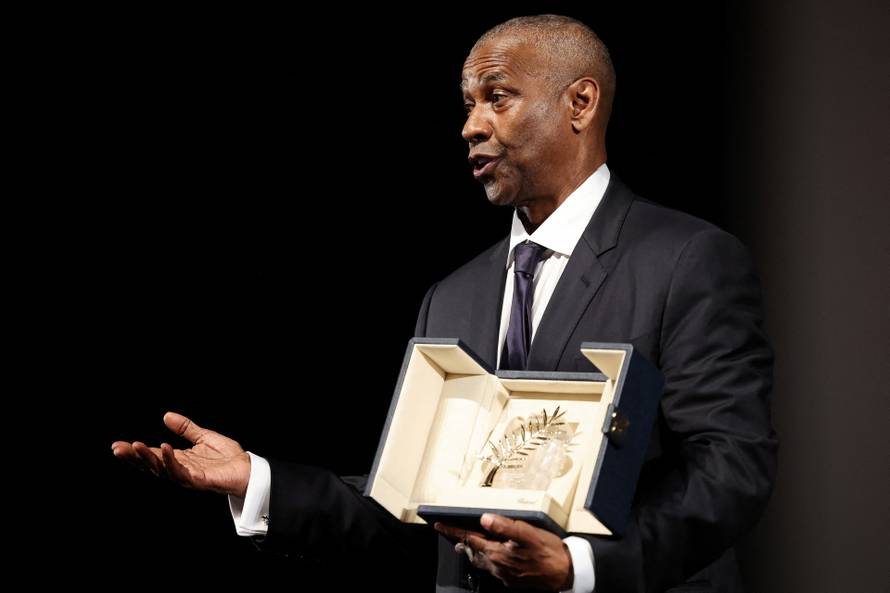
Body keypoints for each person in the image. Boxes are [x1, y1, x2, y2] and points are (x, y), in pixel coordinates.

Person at [112, 15, 777, 593]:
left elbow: (730, 465)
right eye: (466, 105)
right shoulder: (452, 296)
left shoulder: (688, 259)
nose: (469, 126)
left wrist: (580, 565)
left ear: (580, 102)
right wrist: (256, 480)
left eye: (497, 97)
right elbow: (410, 501)